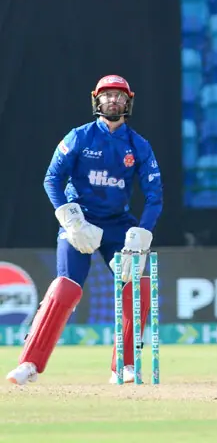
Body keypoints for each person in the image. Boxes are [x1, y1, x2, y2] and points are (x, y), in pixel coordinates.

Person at [6, 75, 163, 386]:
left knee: (137, 285)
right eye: (107, 95)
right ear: (97, 100)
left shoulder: (138, 145)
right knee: (66, 287)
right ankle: (29, 363)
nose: (113, 100)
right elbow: (52, 179)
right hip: (80, 220)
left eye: (119, 95)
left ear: (128, 102)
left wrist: (142, 233)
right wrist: (69, 218)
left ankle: (125, 365)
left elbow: (155, 196)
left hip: (118, 224)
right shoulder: (79, 137)